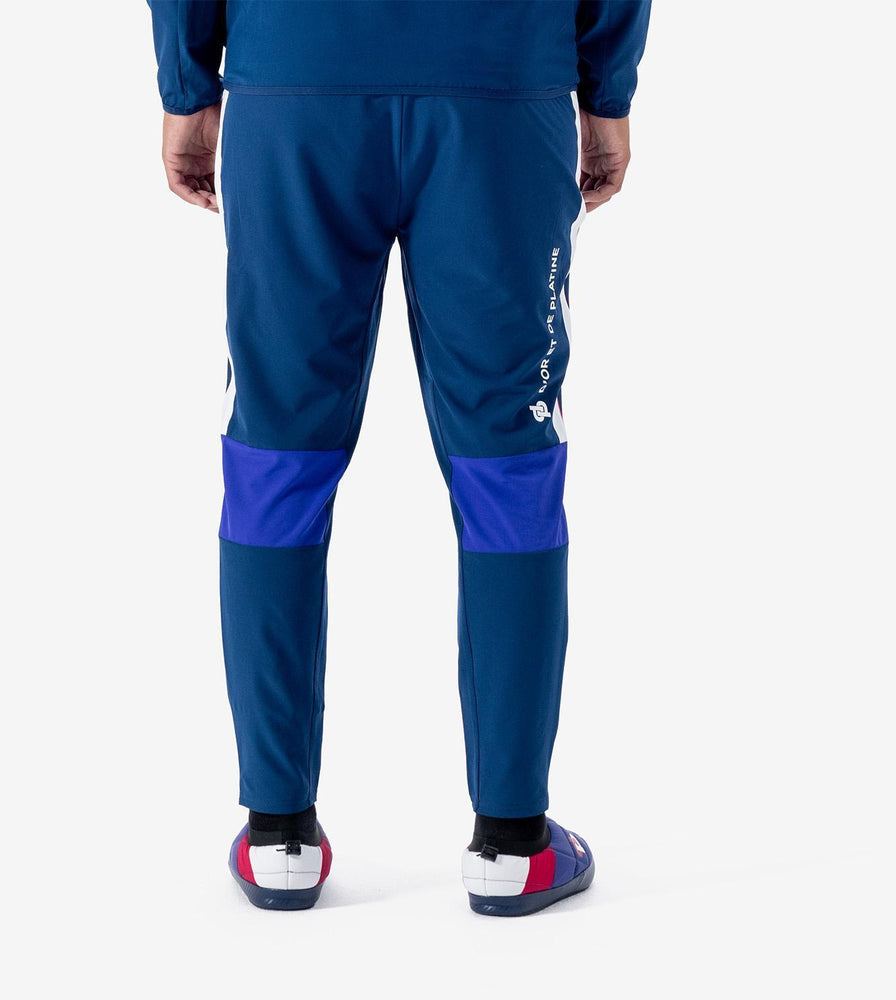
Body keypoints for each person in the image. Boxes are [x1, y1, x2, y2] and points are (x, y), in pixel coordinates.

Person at [147, 0, 650, 916]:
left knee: (277, 460)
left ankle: (277, 834)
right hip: (499, 82)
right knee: (510, 465)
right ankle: (514, 845)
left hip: (293, 77)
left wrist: (187, 85)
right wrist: (606, 89)